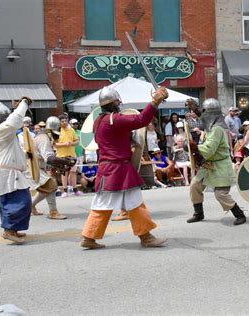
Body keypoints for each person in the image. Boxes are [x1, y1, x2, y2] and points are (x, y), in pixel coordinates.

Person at [80, 85, 169, 249]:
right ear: (114, 102)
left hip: (109, 168)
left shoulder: (99, 121)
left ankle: (90, 237)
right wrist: (155, 101)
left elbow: (119, 136)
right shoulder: (114, 119)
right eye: (117, 101)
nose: (119, 103)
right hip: (117, 168)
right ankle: (145, 237)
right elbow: (141, 120)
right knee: (126, 203)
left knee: (113, 204)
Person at [186, 98, 247, 226]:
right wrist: (194, 109)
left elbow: (209, 150)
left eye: (205, 112)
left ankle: (239, 214)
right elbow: (203, 118)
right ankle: (198, 213)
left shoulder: (217, 129)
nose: (203, 115)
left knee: (220, 194)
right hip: (208, 164)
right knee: (195, 185)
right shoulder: (212, 124)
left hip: (220, 165)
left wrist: (194, 147)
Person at [0, 99, 33, 245]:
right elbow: (14, 120)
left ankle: (12, 229)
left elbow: (14, 153)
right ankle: (9, 230)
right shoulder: (2, 130)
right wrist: (24, 103)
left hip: (9, 172)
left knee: (11, 201)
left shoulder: (5, 135)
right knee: (20, 201)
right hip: (6, 174)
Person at [30, 116, 74, 219]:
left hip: (37, 167)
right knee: (51, 186)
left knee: (49, 188)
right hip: (33, 168)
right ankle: (52, 212)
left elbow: (47, 158)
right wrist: (66, 161)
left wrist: (61, 163)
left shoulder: (44, 137)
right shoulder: (44, 138)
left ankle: (32, 206)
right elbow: (49, 158)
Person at [55, 114, 81, 197]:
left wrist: (71, 143)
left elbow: (77, 141)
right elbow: (55, 144)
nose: (64, 122)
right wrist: (64, 144)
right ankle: (65, 190)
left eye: (65, 121)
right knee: (64, 173)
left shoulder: (71, 130)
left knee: (73, 172)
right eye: (62, 121)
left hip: (72, 154)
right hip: (61, 155)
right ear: (59, 122)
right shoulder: (56, 131)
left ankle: (75, 190)